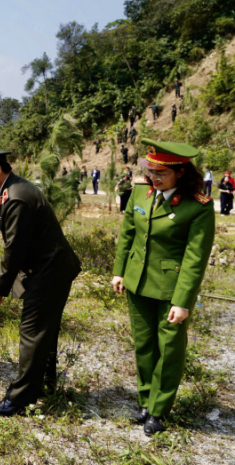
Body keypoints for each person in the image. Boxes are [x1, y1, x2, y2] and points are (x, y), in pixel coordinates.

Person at [0, 149, 81, 416]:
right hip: (48, 269)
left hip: (48, 272)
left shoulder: (16, 197)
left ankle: (20, 398)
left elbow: (13, 251)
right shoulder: (13, 189)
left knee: (32, 333)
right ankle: (43, 385)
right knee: (44, 331)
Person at [111, 139, 214, 435]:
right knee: (143, 345)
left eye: (160, 174)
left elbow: (195, 259)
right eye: (150, 172)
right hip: (137, 283)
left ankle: (159, 410)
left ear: (180, 172)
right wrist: (119, 271)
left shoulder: (198, 206)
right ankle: (145, 400)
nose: (152, 179)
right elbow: (127, 233)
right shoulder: (142, 193)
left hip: (171, 290)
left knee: (168, 349)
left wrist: (182, 302)